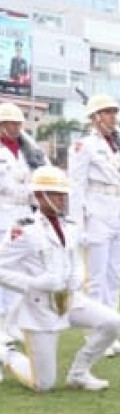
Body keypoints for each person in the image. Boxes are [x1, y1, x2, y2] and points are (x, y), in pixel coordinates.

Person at [0, 166, 120, 391]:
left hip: (69, 299)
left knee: (112, 322)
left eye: (63, 194)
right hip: (40, 308)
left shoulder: (70, 226)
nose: (62, 199)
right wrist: (34, 283)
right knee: (43, 385)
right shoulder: (24, 229)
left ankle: (79, 373)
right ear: (39, 196)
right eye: (55, 194)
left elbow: (73, 257)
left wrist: (77, 275)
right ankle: (6, 353)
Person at [68, 93, 120, 357]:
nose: (113, 116)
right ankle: (95, 334)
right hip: (96, 213)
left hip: (118, 211)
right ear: (94, 118)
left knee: (115, 277)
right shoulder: (84, 146)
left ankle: (110, 332)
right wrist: (77, 224)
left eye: (114, 112)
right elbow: (76, 186)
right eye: (107, 112)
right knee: (95, 279)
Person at [0, 103, 35, 345]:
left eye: (18, 124)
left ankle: (13, 323)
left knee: (20, 272)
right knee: (3, 271)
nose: (15, 128)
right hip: (3, 212)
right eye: (11, 123)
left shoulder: (25, 152)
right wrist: (26, 190)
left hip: (23, 214)